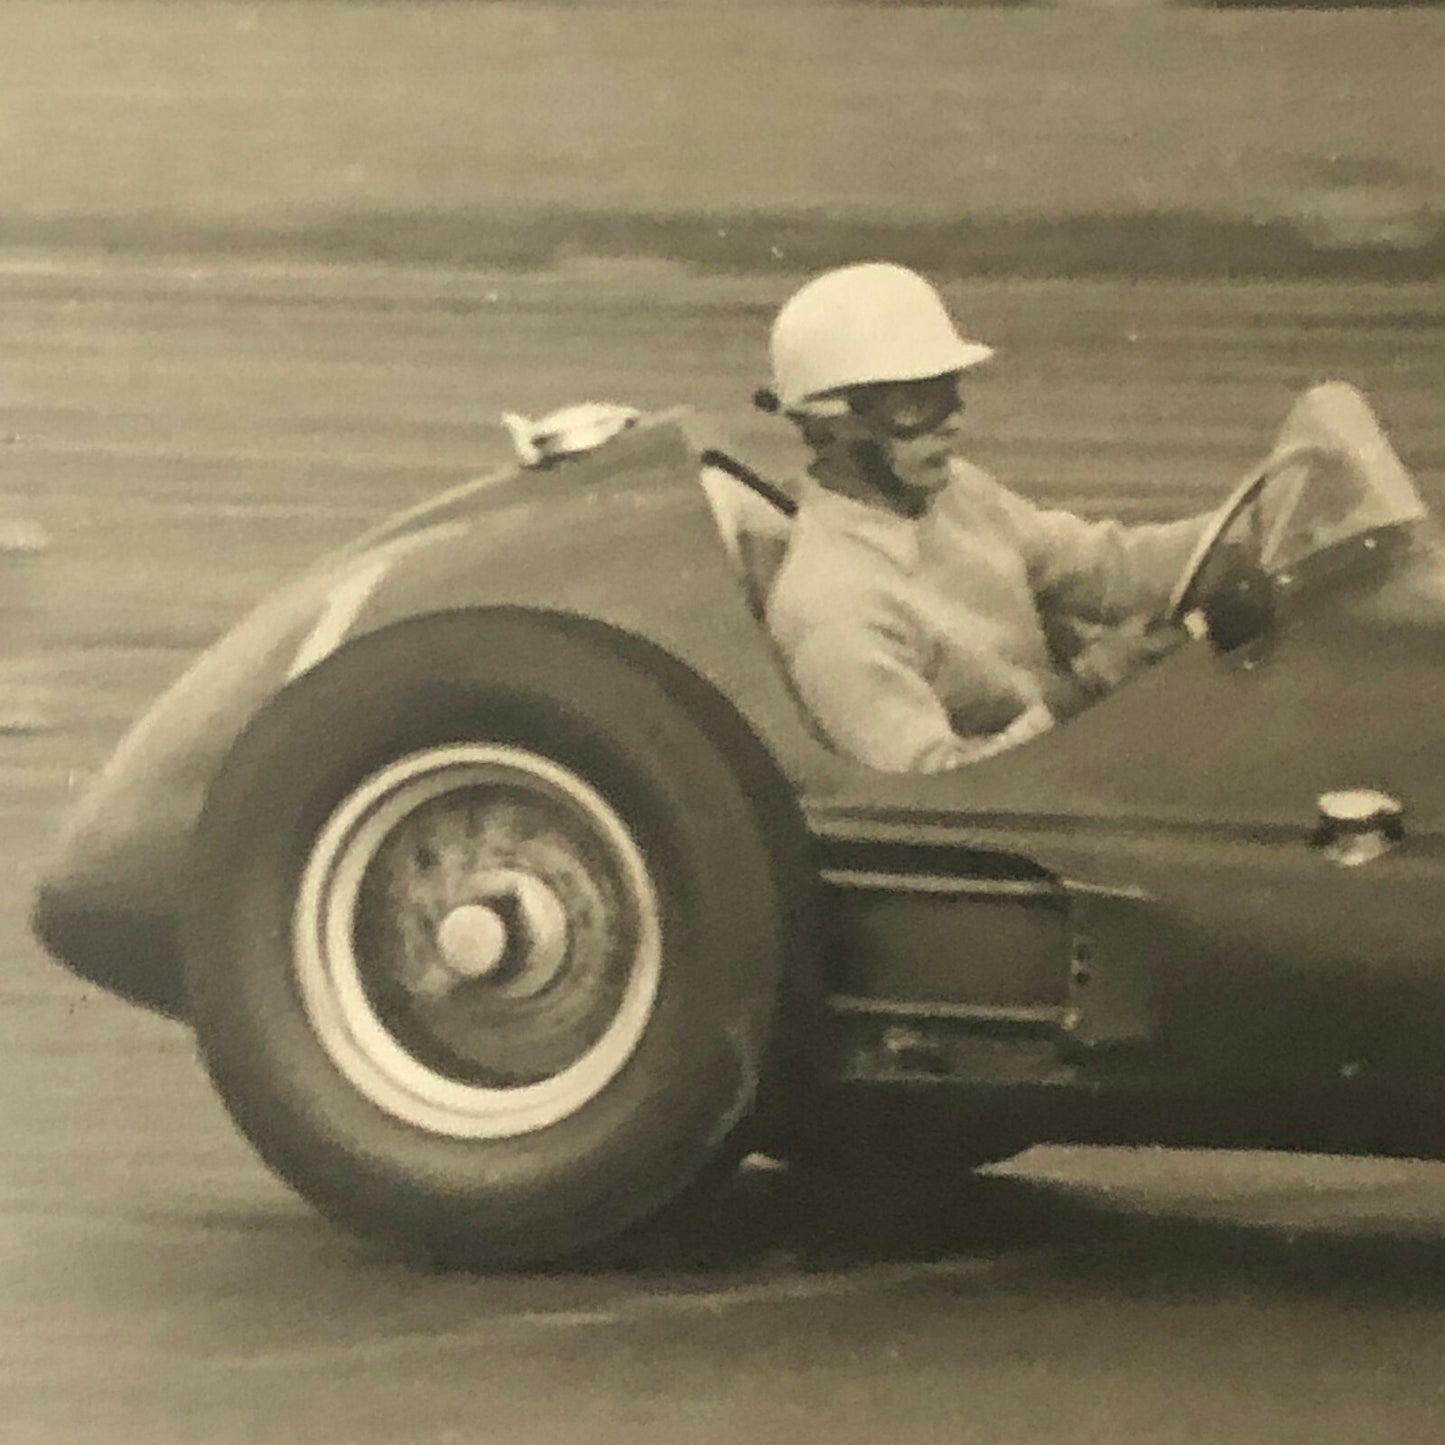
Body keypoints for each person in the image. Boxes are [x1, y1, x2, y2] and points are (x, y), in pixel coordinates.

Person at [759, 262, 1208, 775]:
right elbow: (930, 794)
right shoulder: (834, 607)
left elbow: (1104, 567)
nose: (952, 422)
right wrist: (1088, 690)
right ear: (831, 428)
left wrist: (1258, 523)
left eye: (950, 391)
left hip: (1088, 755)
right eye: (914, 404)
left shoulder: (956, 492)